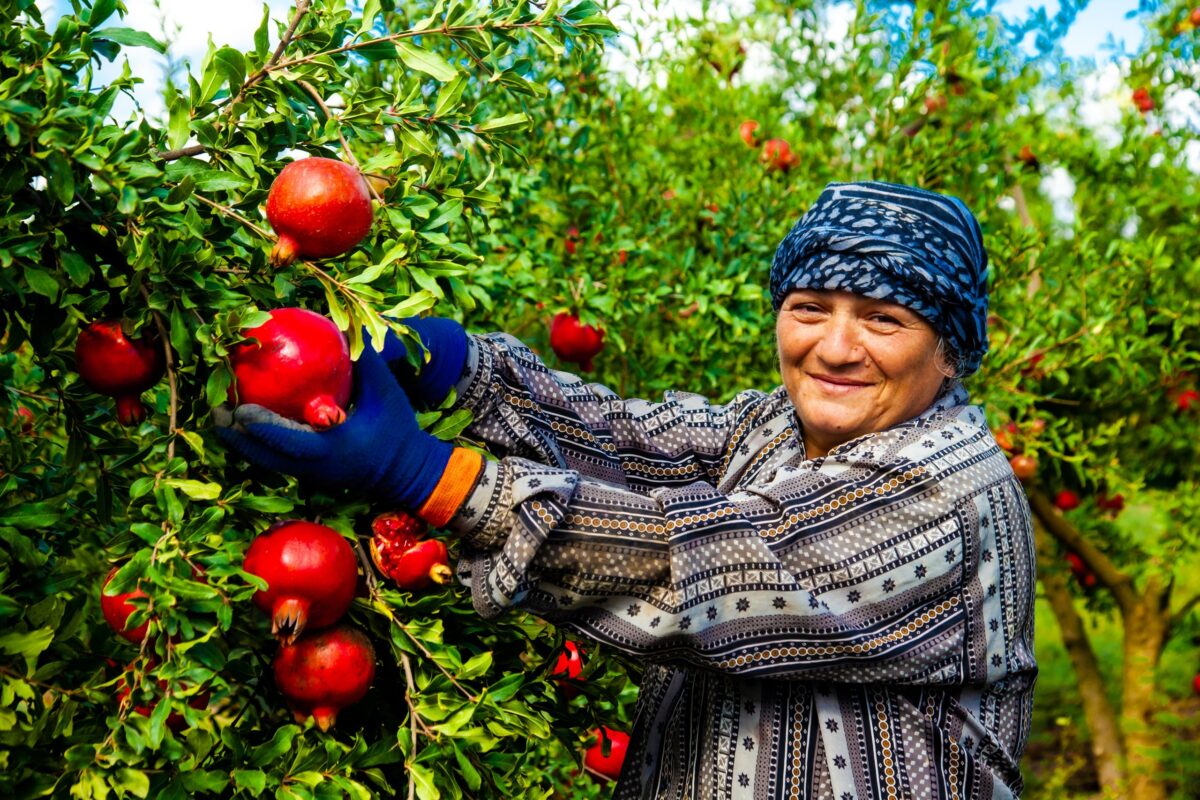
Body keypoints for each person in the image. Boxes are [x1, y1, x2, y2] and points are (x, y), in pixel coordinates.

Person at [217, 181, 1037, 799]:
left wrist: (429, 478)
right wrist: (467, 370)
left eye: (885, 320)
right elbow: (629, 441)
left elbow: (698, 575)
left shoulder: (946, 491)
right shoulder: (773, 428)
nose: (835, 346)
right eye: (810, 308)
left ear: (951, 351)